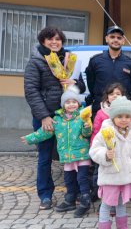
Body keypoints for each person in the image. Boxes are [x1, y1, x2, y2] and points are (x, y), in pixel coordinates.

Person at [24, 26, 86, 210]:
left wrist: (75, 82)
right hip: (47, 117)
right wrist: (44, 116)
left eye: (58, 39)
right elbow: (31, 91)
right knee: (45, 157)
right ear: (43, 41)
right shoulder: (36, 62)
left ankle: (72, 193)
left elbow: (82, 85)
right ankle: (45, 195)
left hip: (69, 117)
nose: (54, 42)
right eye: (50, 39)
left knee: (72, 156)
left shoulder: (70, 59)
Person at [22, 86, 92, 217]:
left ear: (78, 103)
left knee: (82, 178)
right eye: (68, 102)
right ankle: (70, 199)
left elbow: (87, 133)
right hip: (67, 156)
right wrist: (30, 138)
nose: (71, 104)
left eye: (74, 102)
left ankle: (85, 200)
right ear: (63, 105)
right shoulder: (58, 119)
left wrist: (87, 127)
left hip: (81, 154)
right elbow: (45, 132)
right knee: (69, 179)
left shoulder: (83, 117)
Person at [90, 96, 131, 229]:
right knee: (106, 204)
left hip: (126, 176)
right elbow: (94, 149)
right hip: (111, 176)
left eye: (127, 116)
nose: (124, 120)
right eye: (120, 116)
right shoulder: (106, 131)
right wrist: (105, 155)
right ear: (113, 117)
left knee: (121, 204)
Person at [85, 25, 131, 117]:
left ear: (123, 41)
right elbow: (91, 84)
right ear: (106, 39)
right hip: (100, 110)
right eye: (112, 37)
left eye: (119, 38)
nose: (115, 40)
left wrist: (127, 101)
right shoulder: (95, 61)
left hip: (122, 112)